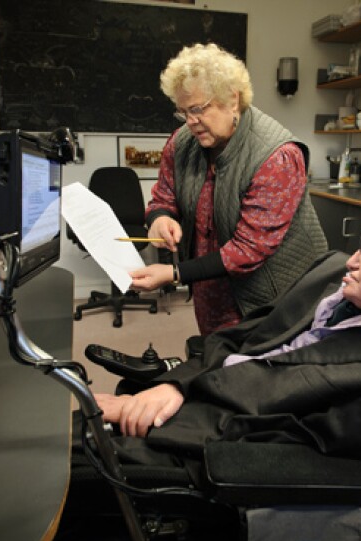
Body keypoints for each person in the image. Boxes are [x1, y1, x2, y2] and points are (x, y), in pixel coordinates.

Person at [95, 194, 361, 461]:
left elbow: (286, 438)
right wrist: (175, 384)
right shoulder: (331, 275)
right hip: (197, 393)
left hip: (206, 445)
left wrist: (155, 417)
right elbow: (242, 337)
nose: (351, 260)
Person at [127, 43, 327, 336]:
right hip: (212, 286)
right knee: (217, 360)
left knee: (259, 369)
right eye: (183, 112)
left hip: (272, 294)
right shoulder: (182, 143)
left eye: (198, 109)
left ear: (232, 99)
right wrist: (159, 218)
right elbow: (163, 196)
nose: (191, 123)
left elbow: (249, 249)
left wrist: (175, 273)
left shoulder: (276, 156)